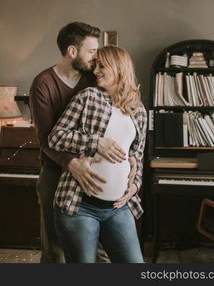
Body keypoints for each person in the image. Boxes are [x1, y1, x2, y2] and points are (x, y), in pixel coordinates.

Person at [48, 45, 147, 263]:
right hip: (79, 205)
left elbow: (137, 157)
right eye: (95, 65)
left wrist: (135, 186)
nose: (96, 71)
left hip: (118, 209)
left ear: (119, 68)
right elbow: (55, 137)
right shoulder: (87, 97)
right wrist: (96, 142)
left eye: (102, 66)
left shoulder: (138, 110)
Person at [29, 22, 111, 263]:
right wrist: (71, 163)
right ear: (72, 51)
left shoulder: (93, 80)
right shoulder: (43, 83)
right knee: (55, 249)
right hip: (54, 170)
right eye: (91, 51)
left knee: (98, 247)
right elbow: (45, 138)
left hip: (94, 170)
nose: (96, 58)